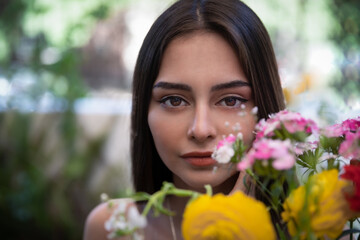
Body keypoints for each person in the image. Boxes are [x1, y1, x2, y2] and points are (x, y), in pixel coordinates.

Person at [84, 0, 285, 239]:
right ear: (144, 111)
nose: (200, 130)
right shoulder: (112, 228)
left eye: (230, 100)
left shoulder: (316, 228)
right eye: (174, 100)